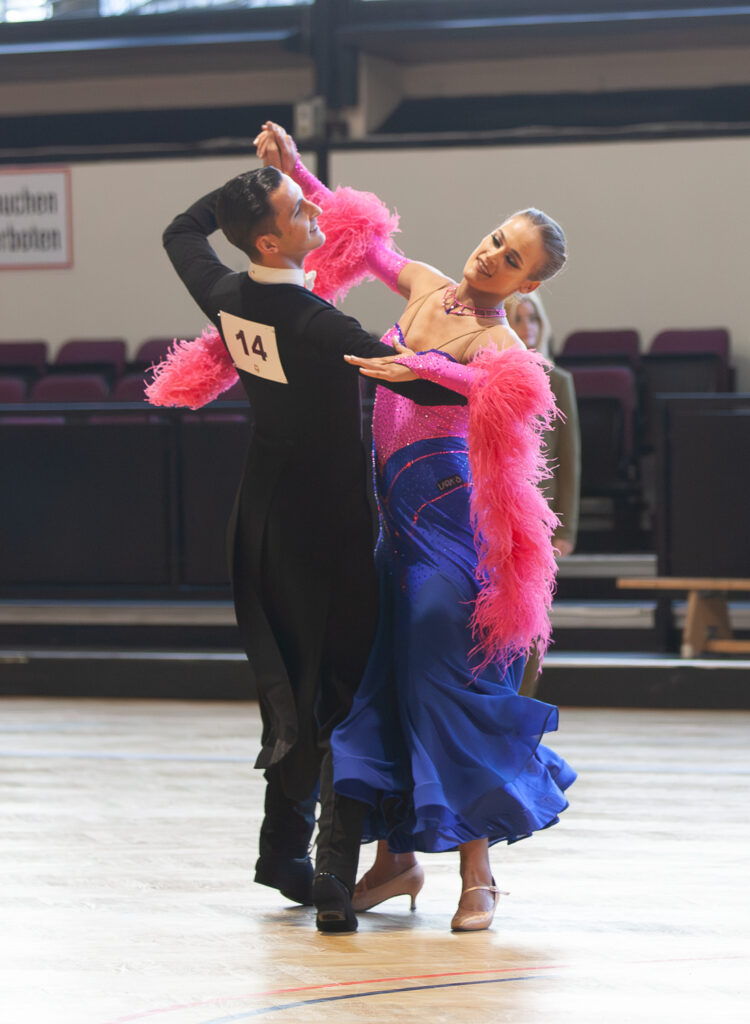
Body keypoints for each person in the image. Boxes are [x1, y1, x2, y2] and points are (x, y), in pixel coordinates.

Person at [255, 123, 576, 933]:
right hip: (390, 530)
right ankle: (394, 861)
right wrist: (299, 172)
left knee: (448, 684)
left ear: (527, 284)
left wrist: (421, 365)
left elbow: (482, 392)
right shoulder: (427, 285)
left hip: (449, 535)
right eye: (496, 239)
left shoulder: (507, 353)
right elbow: (362, 238)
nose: (491, 256)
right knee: (379, 684)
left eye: (512, 259)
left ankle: (480, 872)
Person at [151, 147, 464, 933]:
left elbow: (179, 231)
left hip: (260, 518)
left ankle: (280, 853)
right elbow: (414, 376)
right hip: (327, 527)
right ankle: (332, 874)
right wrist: (491, 370)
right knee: (344, 692)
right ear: (268, 243)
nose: (317, 217)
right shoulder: (318, 323)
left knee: (289, 679)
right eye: (299, 211)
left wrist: (243, 194)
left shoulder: (225, 292)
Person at [505, 292, 581, 698]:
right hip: (495, 511)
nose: (527, 327)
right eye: (517, 318)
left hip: (539, 518)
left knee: (532, 616)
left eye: (532, 318)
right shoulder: (487, 376)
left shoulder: (559, 381)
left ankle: (524, 704)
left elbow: (569, 460)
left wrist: (564, 527)